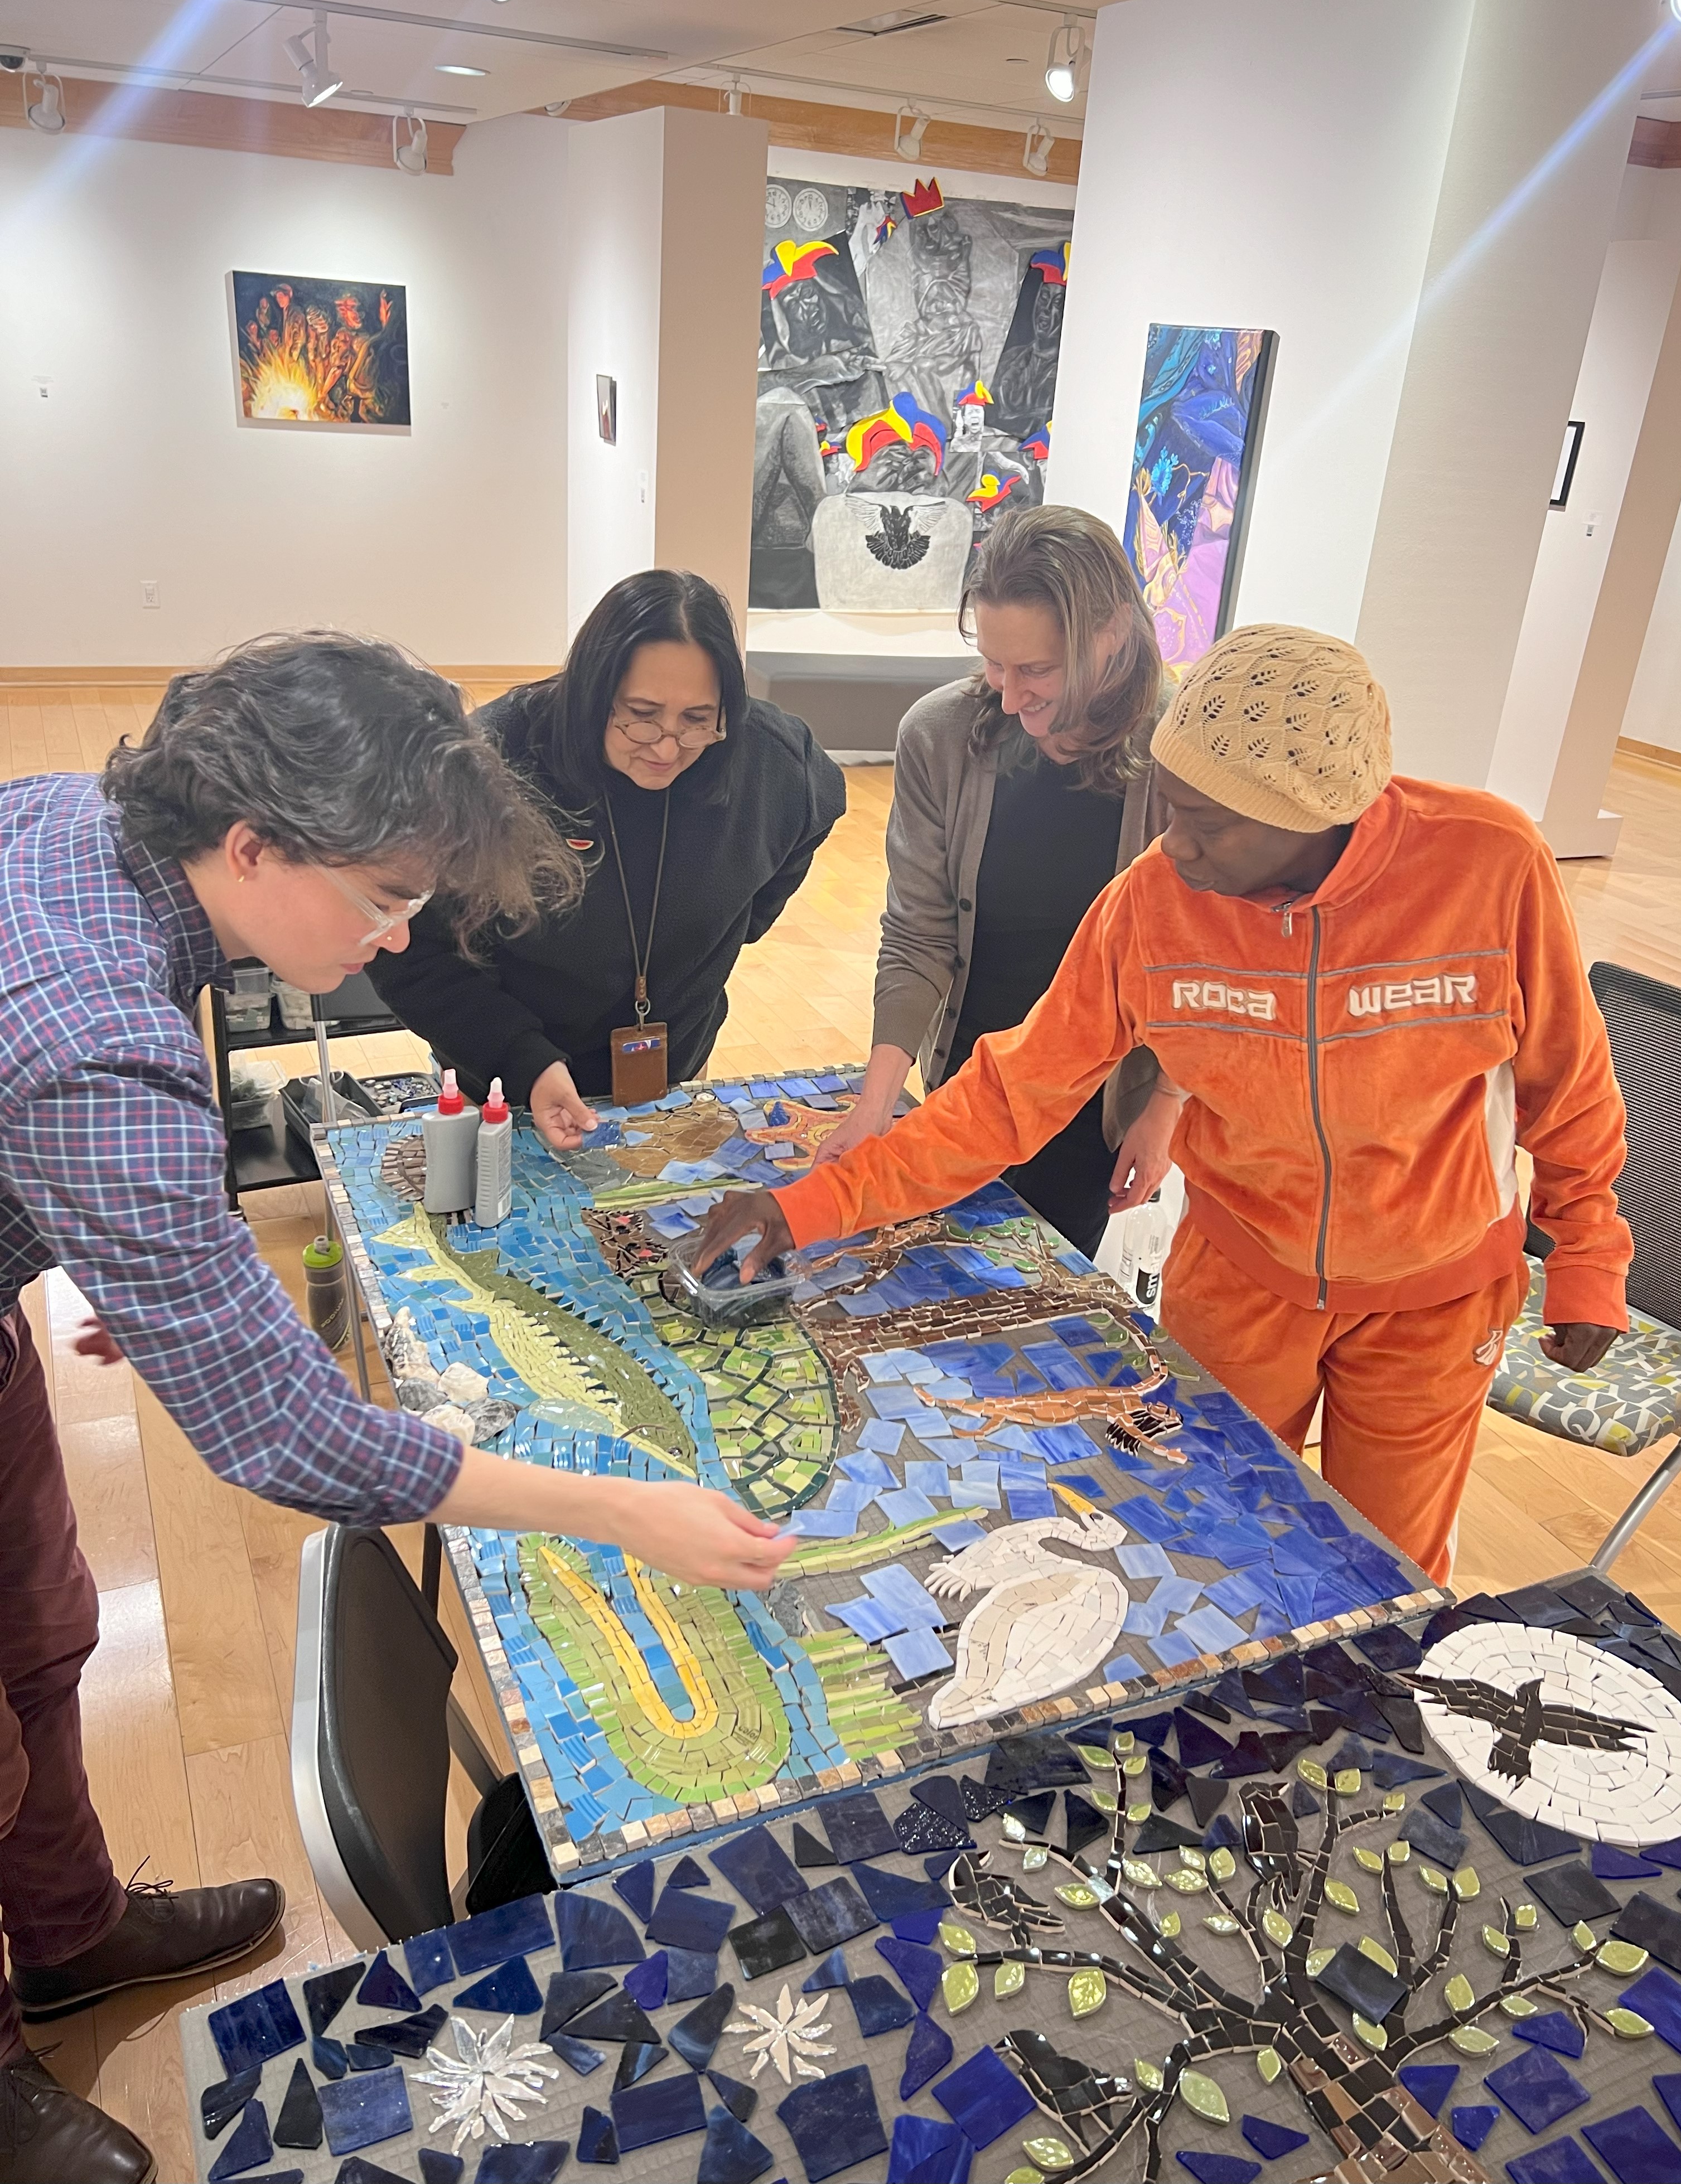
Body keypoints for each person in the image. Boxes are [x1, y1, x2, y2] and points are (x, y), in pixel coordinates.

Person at [0, 633, 793, 2184]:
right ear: (252, 844)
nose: (405, 930)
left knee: (41, 1639)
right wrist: (629, 1509)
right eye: (386, 897)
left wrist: (121, 1232)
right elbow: (288, 1439)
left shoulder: (82, 818)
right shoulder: (97, 1043)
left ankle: (73, 1929)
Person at [692, 623, 1631, 1588]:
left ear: (1319, 812)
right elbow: (1005, 1097)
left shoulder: (1487, 861)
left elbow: (1566, 1080)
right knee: (1203, 1544)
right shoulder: (1148, 904)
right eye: (1168, 809)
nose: (1173, 847)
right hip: (1235, 1280)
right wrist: (803, 1204)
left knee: (1382, 1571)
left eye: (1208, 825)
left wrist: (1588, 1255)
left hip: (1433, 1301)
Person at [368, 572, 846, 1152]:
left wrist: (733, 926)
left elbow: (816, 812)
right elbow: (409, 951)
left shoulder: (771, 760)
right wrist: (522, 1061)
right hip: (499, 1076)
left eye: (698, 719)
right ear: (594, 691)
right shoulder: (490, 764)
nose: (668, 747)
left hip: (672, 1071)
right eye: (641, 715)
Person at [815, 505, 1173, 1259]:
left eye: (1037, 670)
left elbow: (1200, 962)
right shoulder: (938, 734)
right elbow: (918, 933)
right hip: (967, 1090)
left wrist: (1167, 1104)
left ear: (1112, 634)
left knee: (1041, 1304)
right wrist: (878, 1101)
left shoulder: (1181, 755)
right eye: (993, 664)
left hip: (1095, 1110)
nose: (1009, 697)